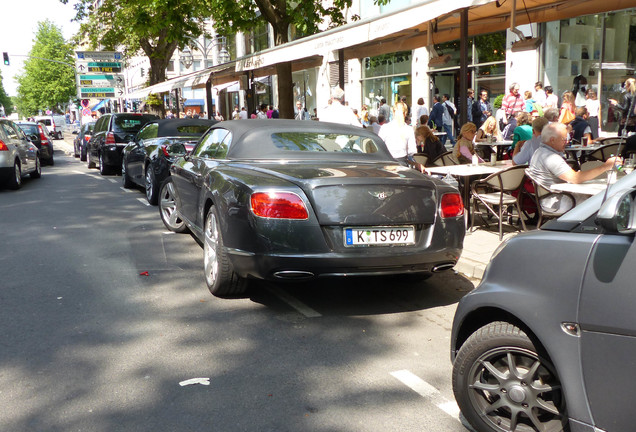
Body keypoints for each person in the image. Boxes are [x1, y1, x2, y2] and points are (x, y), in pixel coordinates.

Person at [526, 122, 620, 210]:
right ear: (552, 140)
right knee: (600, 202)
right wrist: (606, 166)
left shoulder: (540, 152)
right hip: (557, 202)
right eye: (564, 139)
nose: (567, 142)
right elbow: (575, 178)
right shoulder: (550, 157)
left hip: (552, 198)